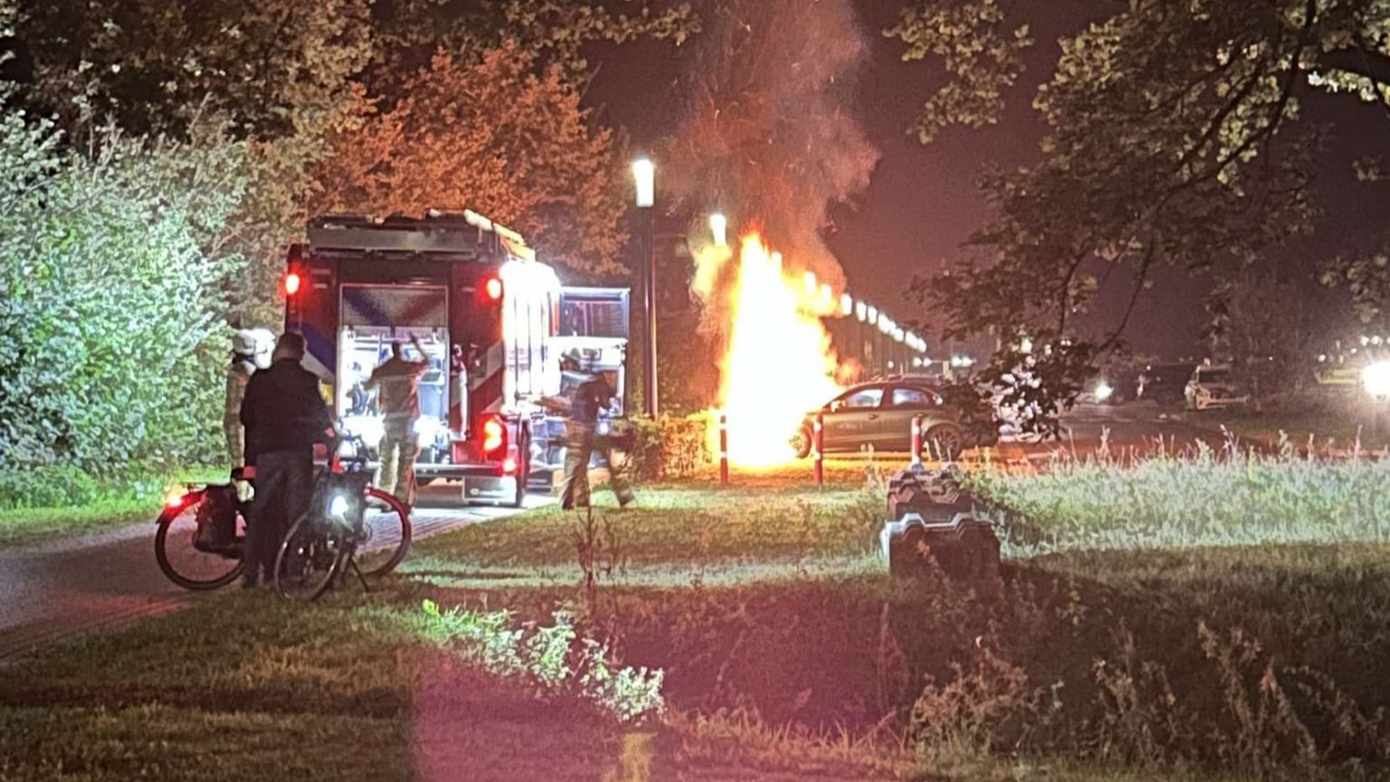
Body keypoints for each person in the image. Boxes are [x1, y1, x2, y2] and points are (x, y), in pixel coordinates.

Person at [239, 332, 333, 589]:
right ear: (299, 353)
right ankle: (292, 571)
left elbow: (246, 417)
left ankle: (250, 573)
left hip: (267, 453)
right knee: (296, 514)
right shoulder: (307, 380)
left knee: (260, 512)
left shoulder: (260, 379)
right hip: (296, 455)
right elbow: (320, 419)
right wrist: (328, 440)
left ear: (278, 351)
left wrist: (252, 456)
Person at [547, 350, 634, 510]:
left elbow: (574, 406)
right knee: (589, 465)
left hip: (578, 430)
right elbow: (605, 404)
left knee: (574, 467)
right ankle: (622, 496)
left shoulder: (581, 382)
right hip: (586, 430)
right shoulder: (596, 383)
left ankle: (573, 500)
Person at [365, 334, 429, 506]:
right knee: (405, 462)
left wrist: (372, 371)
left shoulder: (383, 370)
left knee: (386, 460)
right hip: (408, 421)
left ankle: (384, 498)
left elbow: (367, 387)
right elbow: (428, 362)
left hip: (389, 421)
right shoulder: (409, 369)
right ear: (401, 351)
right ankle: (400, 500)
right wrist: (418, 345)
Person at [223, 328, 271, 469]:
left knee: (240, 466)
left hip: (237, 424)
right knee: (248, 466)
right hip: (249, 427)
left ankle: (241, 488)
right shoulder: (251, 372)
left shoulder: (237, 372)